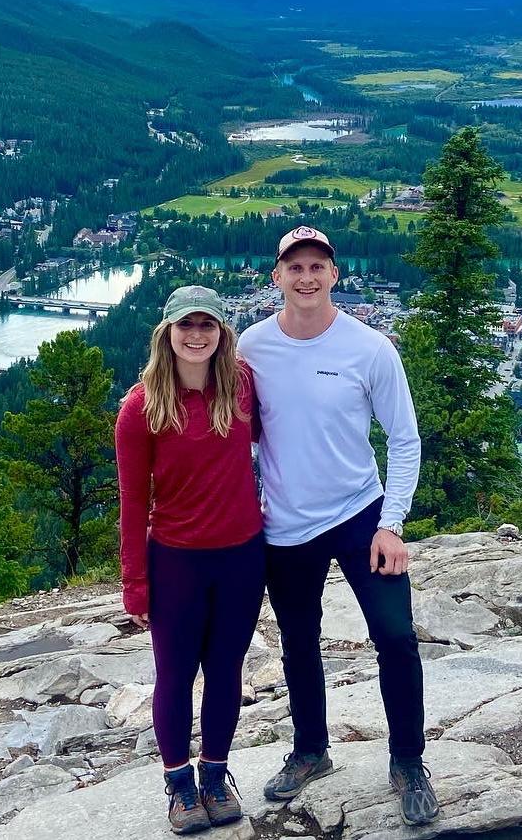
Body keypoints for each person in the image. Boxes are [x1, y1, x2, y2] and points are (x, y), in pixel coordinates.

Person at [238, 226, 440, 827]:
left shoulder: (370, 348)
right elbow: (227, 424)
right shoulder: (252, 346)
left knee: (396, 637)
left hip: (359, 514)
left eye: (316, 266)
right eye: (293, 267)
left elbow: (403, 437)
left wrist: (392, 524)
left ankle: (408, 761)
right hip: (286, 523)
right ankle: (310, 751)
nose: (306, 277)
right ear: (276, 277)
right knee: (300, 642)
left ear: (335, 274)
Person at [116, 285, 265, 835]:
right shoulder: (142, 407)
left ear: (223, 332)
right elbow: (132, 502)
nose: (197, 335)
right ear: (168, 333)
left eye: (208, 325)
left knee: (226, 670)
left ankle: (216, 776)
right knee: (175, 675)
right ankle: (178, 785)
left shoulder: (244, 387)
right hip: (176, 559)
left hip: (242, 557)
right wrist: (135, 583)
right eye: (186, 325)